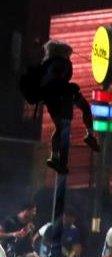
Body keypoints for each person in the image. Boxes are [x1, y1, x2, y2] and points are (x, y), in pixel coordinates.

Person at [20, 40, 99, 173]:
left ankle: (54, 156)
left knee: (60, 127)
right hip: (63, 95)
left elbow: (48, 82)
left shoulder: (46, 65)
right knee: (84, 108)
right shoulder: (60, 63)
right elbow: (57, 81)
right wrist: (69, 87)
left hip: (51, 98)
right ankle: (89, 135)